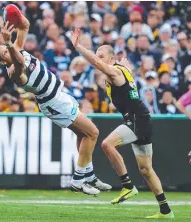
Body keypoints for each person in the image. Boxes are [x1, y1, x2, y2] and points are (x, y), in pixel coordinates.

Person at [0, 12, 111, 195]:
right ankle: (78, 179)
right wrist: (7, 43)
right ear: (2, 61)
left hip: (59, 95)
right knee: (93, 133)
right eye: (4, 52)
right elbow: (20, 62)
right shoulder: (13, 71)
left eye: (6, 49)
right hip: (53, 101)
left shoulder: (15, 48)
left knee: (83, 134)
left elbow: (25, 26)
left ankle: (89, 175)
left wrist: (16, 17)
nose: (8, 50)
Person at [71, 28, 174, 219]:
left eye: (101, 55)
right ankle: (166, 210)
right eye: (97, 54)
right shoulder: (121, 70)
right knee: (146, 169)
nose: (97, 58)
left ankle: (127, 186)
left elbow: (95, 62)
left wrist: (78, 46)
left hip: (136, 118)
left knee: (106, 144)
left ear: (110, 58)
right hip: (141, 118)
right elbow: (125, 79)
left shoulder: (114, 71)